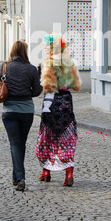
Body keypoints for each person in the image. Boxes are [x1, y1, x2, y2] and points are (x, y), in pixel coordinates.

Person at [36, 33, 81, 187]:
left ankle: (46, 172)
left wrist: (46, 109)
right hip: (67, 102)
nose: (44, 49)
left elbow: (48, 87)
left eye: (45, 46)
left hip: (52, 102)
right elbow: (75, 85)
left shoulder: (49, 63)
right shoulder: (69, 63)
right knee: (66, 137)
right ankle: (69, 172)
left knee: (47, 137)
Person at [0, 40, 42, 191]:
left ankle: (20, 178)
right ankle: (17, 176)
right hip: (26, 111)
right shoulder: (31, 69)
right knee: (20, 143)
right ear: (25, 51)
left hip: (9, 111)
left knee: (15, 144)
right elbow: (36, 92)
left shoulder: (5, 67)